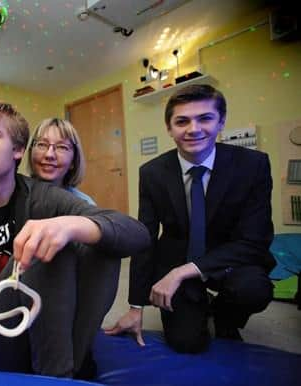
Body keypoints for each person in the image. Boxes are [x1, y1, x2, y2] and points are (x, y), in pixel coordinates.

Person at [0, 102, 150, 378]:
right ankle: (62, 373)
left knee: (88, 240)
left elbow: (137, 234)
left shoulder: (46, 198)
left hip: (48, 329)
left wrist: (69, 225)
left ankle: (62, 373)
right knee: (48, 243)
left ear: (18, 150)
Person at [106, 84, 275, 353]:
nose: (193, 129)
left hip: (230, 260)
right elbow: (145, 238)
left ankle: (224, 316)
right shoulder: (152, 173)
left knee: (253, 289)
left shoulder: (253, 165)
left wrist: (183, 272)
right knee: (187, 343)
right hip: (177, 256)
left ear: (221, 122)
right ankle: (197, 304)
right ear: (169, 128)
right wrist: (135, 306)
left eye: (205, 118)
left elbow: (255, 241)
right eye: (182, 121)